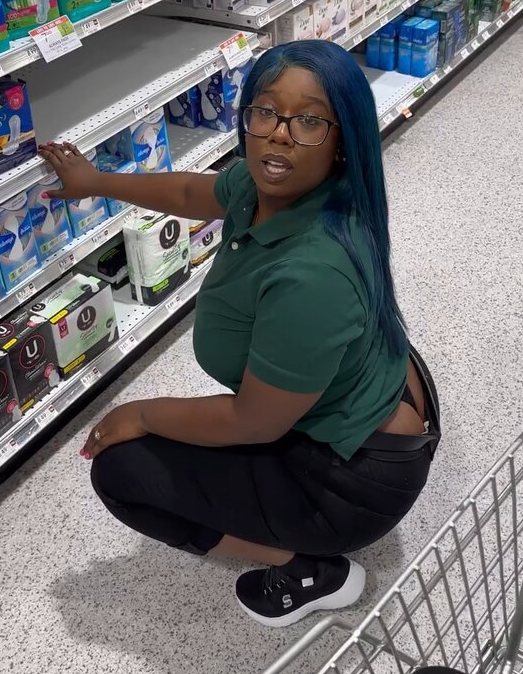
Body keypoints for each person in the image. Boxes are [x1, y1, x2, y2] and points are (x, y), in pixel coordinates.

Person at [38, 40, 440, 628]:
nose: (279, 134)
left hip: (353, 481)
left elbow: (255, 422)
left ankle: (312, 570)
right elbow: (188, 193)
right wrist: (96, 181)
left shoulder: (311, 275)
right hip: (357, 408)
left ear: (342, 141)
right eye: (265, 111)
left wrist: (142, 413)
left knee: (121, 472)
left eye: (308, 121)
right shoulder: (271, 190)